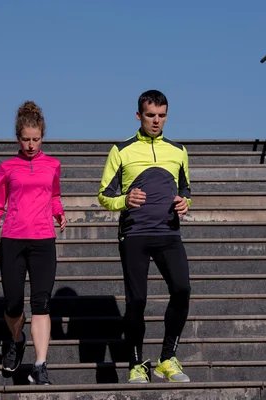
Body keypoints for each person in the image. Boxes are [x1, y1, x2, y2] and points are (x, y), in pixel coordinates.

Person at [98, 90, 192, 383]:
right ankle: (136, 364)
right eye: (150, 115)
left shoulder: (178, 151)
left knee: (182, 290)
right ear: (139, 115)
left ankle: (167, 358)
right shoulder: (121, 150)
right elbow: (104, 196)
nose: (156, 121)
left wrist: (185, 202)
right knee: (137, 300)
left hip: (168, 233)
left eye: (161, 115)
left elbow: (185, 189)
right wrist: (125, 200)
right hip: (135, 235)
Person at [0, 100, 67, 385]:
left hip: (44, 240)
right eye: (26, 139)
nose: (31, 145)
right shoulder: (7, 167)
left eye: (36, 139)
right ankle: (16, 340)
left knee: (41, 304)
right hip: (13, 240)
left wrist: (59, 214)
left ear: (42, 136)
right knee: (13, 304)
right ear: (17, 138)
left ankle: (40, 364)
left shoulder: (53, 165)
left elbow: (54, 196)